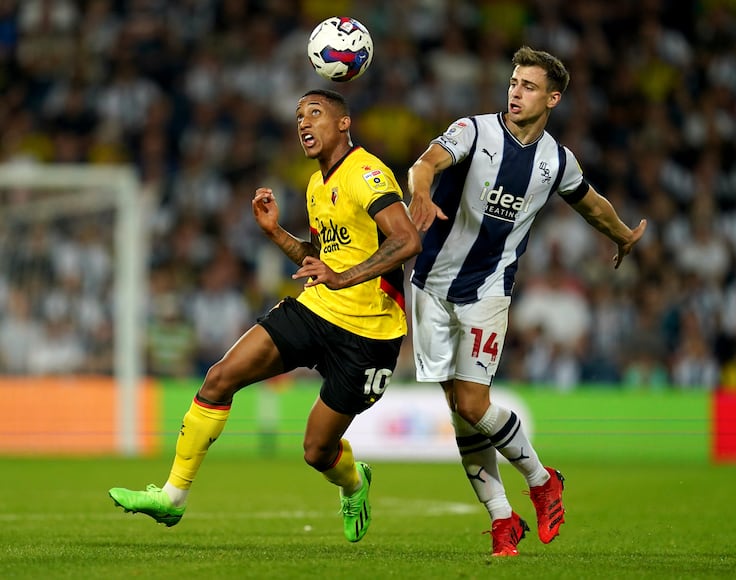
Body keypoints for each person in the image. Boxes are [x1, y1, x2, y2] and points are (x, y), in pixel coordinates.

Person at [109, 89, 421, 543]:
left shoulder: (367, 173)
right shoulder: (317, 185)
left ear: (343, 124)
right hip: (317, 310)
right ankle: (173, 497)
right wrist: (277, 234)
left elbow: (407, 240)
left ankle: (355, 482)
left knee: (317, 451)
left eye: (315, 113)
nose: (303, 123)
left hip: (370, 333)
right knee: (219, 378)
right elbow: (321, 259)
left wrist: (342, 276)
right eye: (298, 116)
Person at [407, 46, 647, 557]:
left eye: (529, 86)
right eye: (514, 82)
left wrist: (623, 235)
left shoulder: (556, 160)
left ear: (552, 98)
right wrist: (421, 193)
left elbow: (592, 204)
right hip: (428, 284)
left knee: (473, 402)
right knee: (458, 412)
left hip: (489, 289)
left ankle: (542, 482)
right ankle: (502, 521)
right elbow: (425, 163)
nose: (516, 92)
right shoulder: (473, 131)